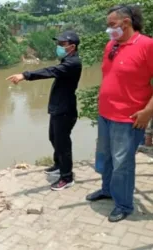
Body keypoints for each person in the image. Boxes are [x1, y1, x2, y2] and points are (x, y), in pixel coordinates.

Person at [86, 5, 153, 222]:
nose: (109, 30)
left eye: (112, 25)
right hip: (106, 113)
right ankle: (107, 190)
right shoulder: (111, 45)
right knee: (105, 158)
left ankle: (124, 204)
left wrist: (147, 112)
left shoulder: (147, 45)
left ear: (126, 23)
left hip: (129, 118)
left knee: (122, 163)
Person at [6, 30, 82, 191]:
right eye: (58, 43)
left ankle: (67, 177)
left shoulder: (73, 63)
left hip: (65, 109)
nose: (58, 46)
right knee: (53, 138)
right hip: (58, 107)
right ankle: (58, 165)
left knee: (63, 143)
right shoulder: (66, 60)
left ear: (72, 47)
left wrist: (25, 75)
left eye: (62, 44)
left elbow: (49, 71)